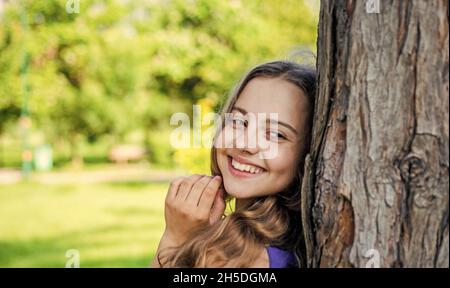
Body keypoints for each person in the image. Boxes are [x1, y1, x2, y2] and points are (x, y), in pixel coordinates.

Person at [151, 60, 316, 268]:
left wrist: (175, 239)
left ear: (306, 155)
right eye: (239, 122)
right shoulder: (248, 243)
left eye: (275, 134)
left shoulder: (244, 261)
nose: (244, 144)